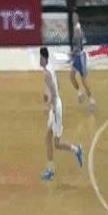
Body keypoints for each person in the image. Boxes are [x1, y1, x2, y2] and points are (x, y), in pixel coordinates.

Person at [39, 47, 82, 181]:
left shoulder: (47, 73)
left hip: (55, 109)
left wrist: (48, 106)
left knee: (55, 143)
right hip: (55, 106)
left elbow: (53, 91)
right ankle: (51, 169)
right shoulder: (50, 68)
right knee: (49, 139)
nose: (39, 60)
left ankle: (76, 150)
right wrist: (48, 97)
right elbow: (57, 85)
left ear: (44, 58)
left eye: (40, 58)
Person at [69, 14, 96, 111]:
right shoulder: (77, 28)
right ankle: (80, 92)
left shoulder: (77, 30)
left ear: (77, 19)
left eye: (74, 18)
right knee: (72, 76)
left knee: (83, 80)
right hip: (77, 57)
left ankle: (92, 100)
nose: (72, 19)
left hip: (80, 57)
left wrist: (72, 52)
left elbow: (79, 47)